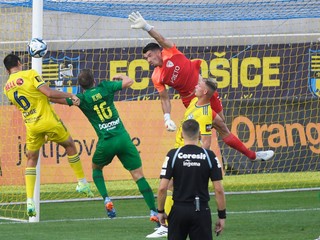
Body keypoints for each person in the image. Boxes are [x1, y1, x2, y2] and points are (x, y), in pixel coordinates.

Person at [128, 11, 274, 162]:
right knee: (220, 127)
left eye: (149, 55)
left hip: (207, 91)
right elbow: (164, 98)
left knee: (221, 122)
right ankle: (251, 156)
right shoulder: (156, 76)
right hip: (193, 100)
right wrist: (167, 118)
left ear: (159, 51)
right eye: (145, 58)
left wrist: (146, 27)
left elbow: (160, 38)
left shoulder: (170, 51)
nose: (148, 60)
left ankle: (196, 140)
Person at [50, 69, 159, 224]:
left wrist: (59, 95)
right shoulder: (106, 87)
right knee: (138, 175)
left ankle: (106, 198)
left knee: (96, 168)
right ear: (94, 81)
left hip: (106, 142)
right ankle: (153, 211)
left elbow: (56, 99)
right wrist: (120, 76)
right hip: (123, 139)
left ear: (81, 86)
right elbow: (129, 81)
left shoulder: (81, 98)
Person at [3, 54, 93, 217]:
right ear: (18, 63)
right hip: (47, 121)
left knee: (31, 159)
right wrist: (70, 95)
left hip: (31, 125)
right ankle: (82, 182)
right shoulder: (30, 74)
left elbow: (29, 101)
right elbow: (49, 93)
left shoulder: (6, 87)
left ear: (7, 69)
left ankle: (29, 199)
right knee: (70, 145)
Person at [146, 76, 219, 238]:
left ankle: (166, 223)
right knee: (171, 187)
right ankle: (167, 222)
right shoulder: (194, 102)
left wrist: (196, 159)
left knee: (169, 186)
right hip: (178, 149)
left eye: (199, 85)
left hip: (184, 153)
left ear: (205, 91)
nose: (196, 84)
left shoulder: (206, 113)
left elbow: (206, 142)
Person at [157, 119, 226, 240]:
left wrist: (161, 211)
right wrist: (222, 216)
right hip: (201, 210)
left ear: (182, 134)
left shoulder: (173, 155)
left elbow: (162, 188)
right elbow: (219, 189)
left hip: (178, 210)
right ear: (199, 134)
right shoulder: (209, 156)